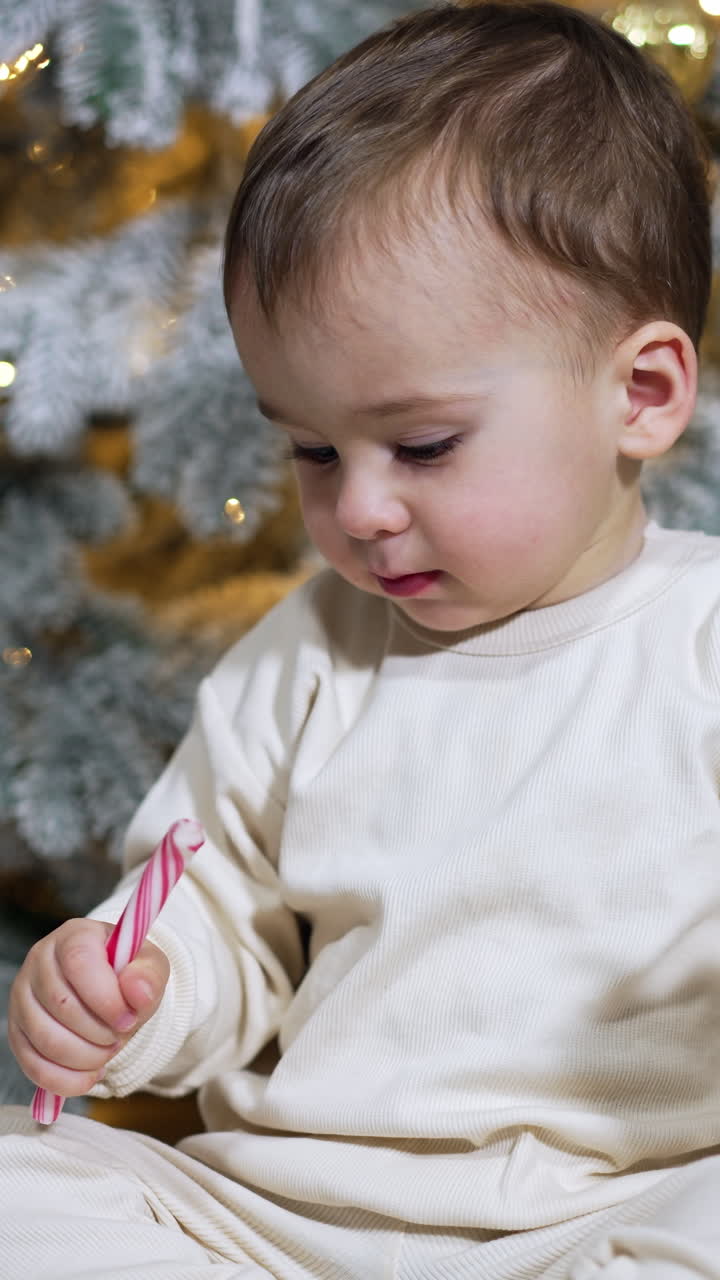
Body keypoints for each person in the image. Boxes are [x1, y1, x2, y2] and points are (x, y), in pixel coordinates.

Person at [1, 1, 719, 1275]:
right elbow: (215, 915)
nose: (362, 508)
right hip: (277, 1221)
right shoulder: (306, 656)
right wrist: (139, 986)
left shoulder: (699, 639)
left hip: (601, 1217)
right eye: (314, 450)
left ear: (642, 393)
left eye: (425, 444)